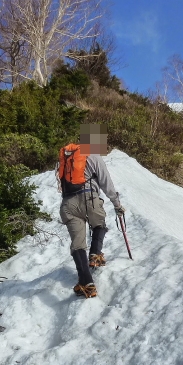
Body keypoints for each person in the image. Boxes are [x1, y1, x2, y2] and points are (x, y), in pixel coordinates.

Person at [57, 124, 125, 298]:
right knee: (99, 224)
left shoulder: (66, 159)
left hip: (68, 205)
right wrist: (117, 204)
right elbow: (106, 184)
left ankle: (86, 283)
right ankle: (95, 255)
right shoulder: (93, 156)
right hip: (89, 198)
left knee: (77, 244)